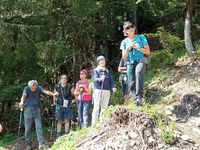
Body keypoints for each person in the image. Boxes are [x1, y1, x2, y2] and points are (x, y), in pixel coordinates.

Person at [19, 80, 57, 150]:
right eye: (32, 87)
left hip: (37, 110)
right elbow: (23, 95)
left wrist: (53, 94)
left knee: (39, 127)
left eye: (35, 87)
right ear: (29, 86)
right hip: (28, 110)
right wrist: (21, 102)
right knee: (27, 128)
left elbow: (46, 92)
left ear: (36, 86)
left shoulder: (39, 88)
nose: (33, 89)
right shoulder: (26, 88)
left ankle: (41, 144)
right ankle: (29, 144)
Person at [120, 21, 150, 105]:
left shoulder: (141, 37)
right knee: (131, 81)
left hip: (141, 60)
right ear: (125, 31)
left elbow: (147, 51)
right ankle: (135, 100)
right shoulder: (124, 42)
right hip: (130, 63)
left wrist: (138, 48)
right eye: (128, 28)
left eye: (131, 27)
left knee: (138, 71)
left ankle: (139, 97)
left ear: (134, 28)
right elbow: (124, 57)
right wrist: (128, 48)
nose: (131, 29)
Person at [92, 55, 116, 125]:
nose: (103, 62)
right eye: (101, 60)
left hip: (107, 90)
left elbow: (111, 80)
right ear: (98, 62)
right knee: (96, 107)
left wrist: (113, 86)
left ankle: (102, 123)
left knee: (104, 107)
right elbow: (94, 79)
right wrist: (100, 79)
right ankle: (94, 123)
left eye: (104, 60)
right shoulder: (96, 70)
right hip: (98, 90)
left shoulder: (107, 71)